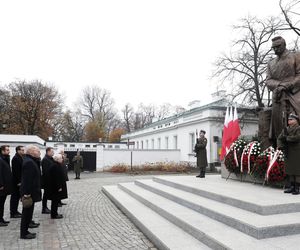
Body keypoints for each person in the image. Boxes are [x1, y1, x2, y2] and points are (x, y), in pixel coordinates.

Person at [266, 36, 300, 145]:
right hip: (278, 97)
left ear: (284, 45)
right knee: (278, 125)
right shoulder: (271, 63)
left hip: (294, 94)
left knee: (296, 118)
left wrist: (288, 85)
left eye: (278, 46)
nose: (276, 49)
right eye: (274, 47)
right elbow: (268, 81)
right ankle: (280, 149)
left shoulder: (295, 56)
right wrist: (280, 85)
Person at [20, 145, 42, 239]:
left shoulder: (31, 161)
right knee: (26, 213)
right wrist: (27, 194)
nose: (39, 153)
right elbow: (27, 180)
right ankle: (24, 233)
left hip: (31, 192)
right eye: (38, 151)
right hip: (29, 193)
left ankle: (26, 230)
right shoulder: (29, 162)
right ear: (32, 152)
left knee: (29, 212)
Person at [277, 114, 300, 195]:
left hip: (297, 152)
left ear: (296, 121)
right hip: (288, 151)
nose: (289, 121)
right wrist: (280, 146)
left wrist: (287, 138)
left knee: (297, 170)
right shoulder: (286, 129)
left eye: (291, 119)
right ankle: (292, 186)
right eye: (289, 120)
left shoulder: (298, 128)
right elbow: (280, 138)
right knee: (290, 170)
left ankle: (297, 187)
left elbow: (297, 137)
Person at [48, 154, 68, 219]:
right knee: (55, 201)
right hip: (55, 187)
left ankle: (55, 213)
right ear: (57, 159)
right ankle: (54, 215)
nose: (62, 159)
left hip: (56, 187)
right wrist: (59, 187)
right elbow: (56, 178)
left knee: (55, 201)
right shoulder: (55, 166)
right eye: (61, 158)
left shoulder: (56, 165)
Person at [10, 145, 25, 218]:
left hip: (19, 181)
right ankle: (13, 212)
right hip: (16, 182)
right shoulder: (15, 158)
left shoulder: (20, 157)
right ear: (18, 150)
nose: (23, 151)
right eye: (22, 150)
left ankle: (15, 211)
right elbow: (16, 172)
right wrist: (19, 181)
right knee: (15, 198)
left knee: (17, 197)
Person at [0, 145, 12, 226]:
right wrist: (0, 184)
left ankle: (1, 218)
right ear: (2, 151)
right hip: (1, 186)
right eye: (7, 150)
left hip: (5, 186)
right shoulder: (0, 160)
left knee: (2, 204)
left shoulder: (5, 159)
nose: (9, 151)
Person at [41, 147, 54, 214]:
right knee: (46, 195)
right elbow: (46, 172)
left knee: (47, 194)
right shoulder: (45, 160)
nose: (53, 153)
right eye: (52, 151)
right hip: (47, 181)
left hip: (50, 180)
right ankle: (44, 208)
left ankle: (45, 207)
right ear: (48, 152)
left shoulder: (50, 159)